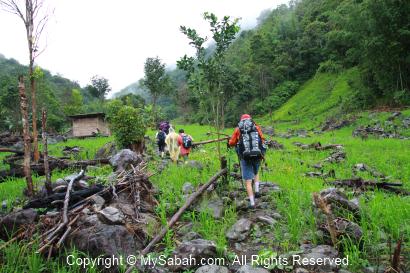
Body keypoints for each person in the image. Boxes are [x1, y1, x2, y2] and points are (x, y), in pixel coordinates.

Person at [228, 114, 265, 209]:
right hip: (257, 155)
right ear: (250, 119)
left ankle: (252, 203)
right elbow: (263, 139)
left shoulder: (238, 129)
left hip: (245, 157)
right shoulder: (256, 127)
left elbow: (232, 143)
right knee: (256, 172)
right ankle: (257, 191)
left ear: (241, 121)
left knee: (248, 182)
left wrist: (231, 141)